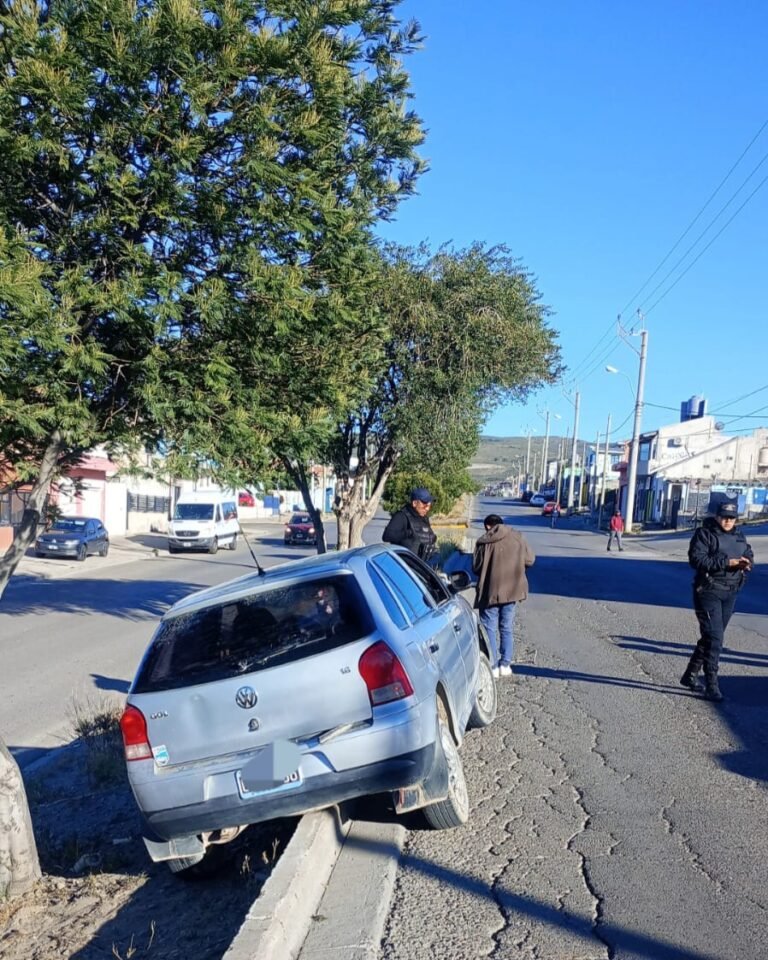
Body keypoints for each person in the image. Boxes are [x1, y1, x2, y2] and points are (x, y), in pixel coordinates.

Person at [681, 500, 753, 702]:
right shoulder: (704, 534)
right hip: (708, 591)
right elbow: (697, 559)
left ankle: (690, 675)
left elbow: (748, 552)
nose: (728, 521)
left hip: (731, 591)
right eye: (724, 517)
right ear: (717, 516)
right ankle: (711, 684)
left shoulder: (739, 535)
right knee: (716, 639)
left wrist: (747, 563)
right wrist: (726, 562)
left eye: (732, 518)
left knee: (711, 637)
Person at [472, 514, 535, 678]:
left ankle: (492, 666)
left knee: (489, 628)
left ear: (488, 526)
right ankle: (505, 664)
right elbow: (530, 560)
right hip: (512, 591)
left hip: (490, 592)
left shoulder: (484, 541)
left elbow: (476, 567)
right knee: (506, 627)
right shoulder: (518, 537)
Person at [382, 487, 438, 563]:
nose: (427, 508)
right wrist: (408, 533)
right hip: (405, 565)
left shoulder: (424, 518)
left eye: (429, 505)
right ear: (414, 503)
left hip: (422, 564)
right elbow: (387, 536)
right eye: (424, 504)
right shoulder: (401, 516)